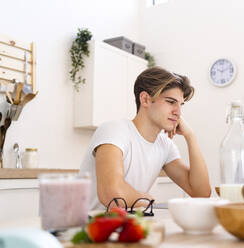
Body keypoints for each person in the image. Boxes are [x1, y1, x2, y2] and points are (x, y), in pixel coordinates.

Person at [79, 66, 211, 210]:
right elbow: (112, 195)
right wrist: (148, 199)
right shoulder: (114, 130)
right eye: (171, 102)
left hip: (126, 227)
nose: (178, 112)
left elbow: (201, 194)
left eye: (181, 105)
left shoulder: (165, 145)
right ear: (145, 99)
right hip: (88, 227)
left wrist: (190, 136)